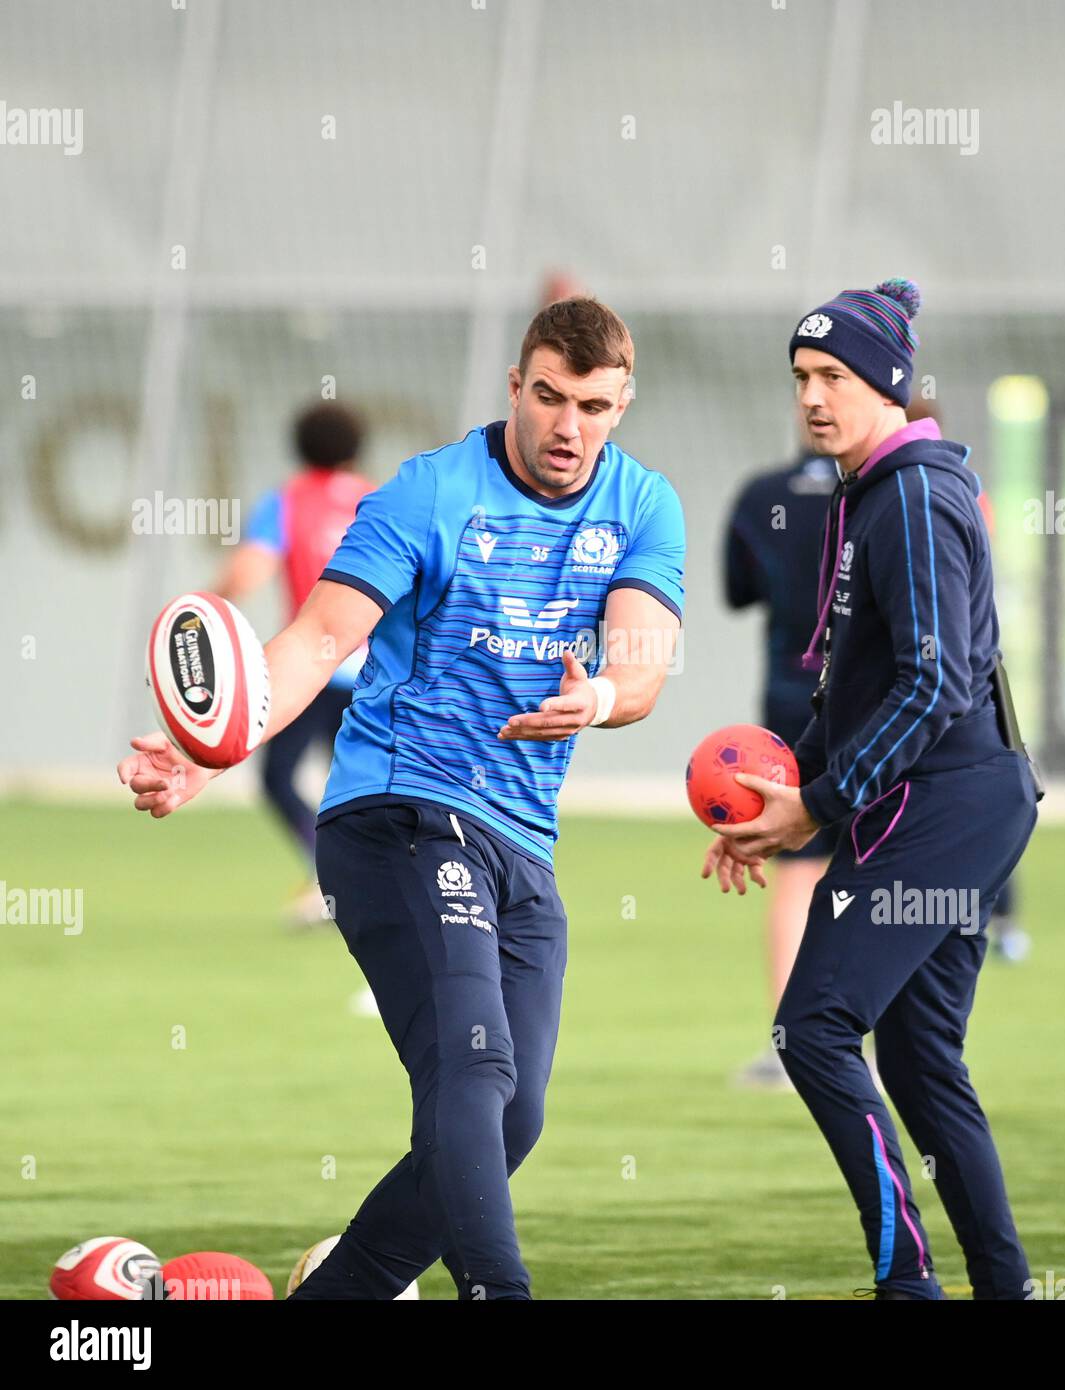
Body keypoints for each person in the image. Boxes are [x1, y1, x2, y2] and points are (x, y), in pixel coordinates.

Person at [119, 297, 685, 1301]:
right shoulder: (426, 493)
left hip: (523, 838)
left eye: (593, 406)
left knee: (513, 1120)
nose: (568, 426)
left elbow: (641, 662)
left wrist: (594, 696)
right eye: (549, 397)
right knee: (468, 1073)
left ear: (622, 402)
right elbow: (319, 639)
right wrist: (216, 747)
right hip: (398, 815)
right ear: (515, 386)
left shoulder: (642, 506)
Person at [702, 278, 1038, 1301]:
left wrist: (822, 801)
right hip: (945, 803)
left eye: (833, 375)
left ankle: (908, 1283)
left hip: (944, 805)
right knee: (921, 1062)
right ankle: (1005, 1286)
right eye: (801, 376)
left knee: (812, 1026)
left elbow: (934, 678)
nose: (811, 395)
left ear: (887, 384)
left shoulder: (913, 494)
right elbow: (852, 690)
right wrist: (777, 800)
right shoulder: (872, 493)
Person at [213, 403, 374, 924]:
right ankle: (362, 885)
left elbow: (246, 575)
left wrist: (199, 618)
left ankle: (329, 877)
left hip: (310, 670)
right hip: (374, 673)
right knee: (368, 787)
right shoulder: (378, 501)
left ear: (300, 449)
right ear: (355, 448)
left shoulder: (285, 503)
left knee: (278, 779)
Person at [721, 417, 843, 1089]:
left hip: (790, 700)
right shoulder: (889, 492)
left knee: (798, 869)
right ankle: (874, 1044)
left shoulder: (760, 494)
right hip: (877, 703)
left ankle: (791, 1044)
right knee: (884, 868)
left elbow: (738, 592)